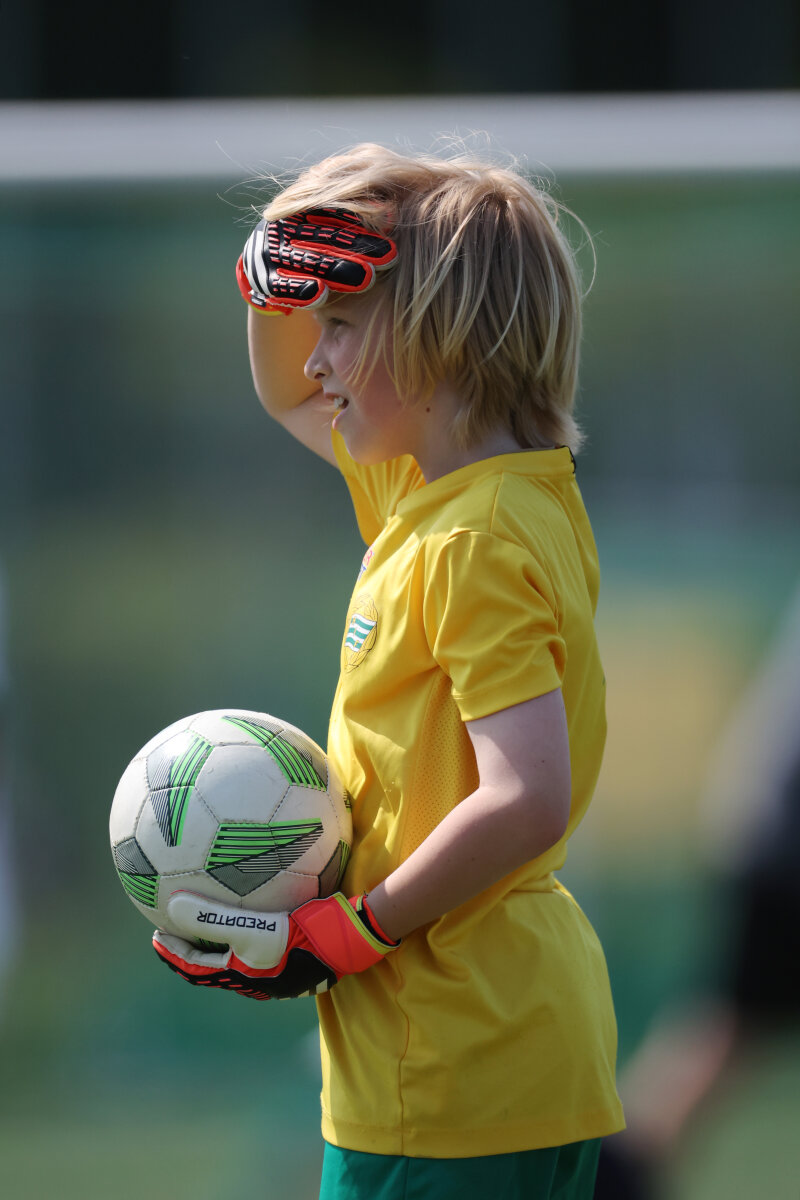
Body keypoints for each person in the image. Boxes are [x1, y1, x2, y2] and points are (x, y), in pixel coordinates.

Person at [153, 143, 625, 1199]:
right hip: (492, 1047)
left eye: (340, 326)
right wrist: (275, 253)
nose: (315, 361)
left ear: (435, 334)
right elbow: (286, 390)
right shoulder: (469, 495)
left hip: (448, 1061)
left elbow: (525, 795)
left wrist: (352, 932)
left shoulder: (466, 540)